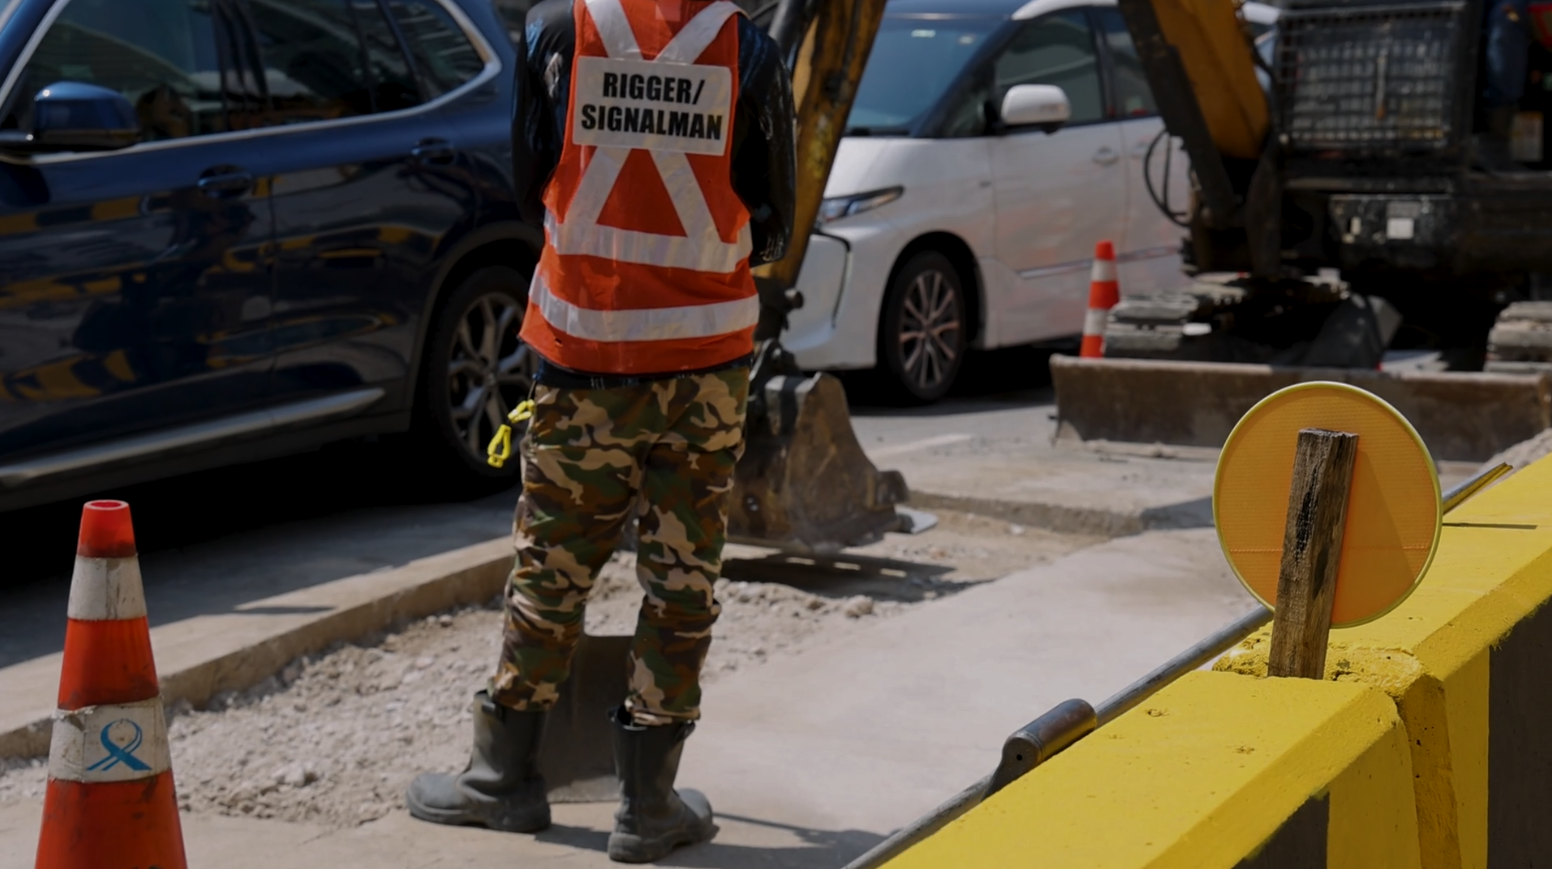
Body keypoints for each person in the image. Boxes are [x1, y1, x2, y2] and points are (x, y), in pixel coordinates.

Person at [406, 0, 795, 863]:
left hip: (585, 358)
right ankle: (648, 805)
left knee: (552, 567)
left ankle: (501, 778)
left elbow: (528, 180)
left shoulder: (557, 34)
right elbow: (775, 228)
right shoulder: (752, 54)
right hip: (704, 373)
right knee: (681, 580)